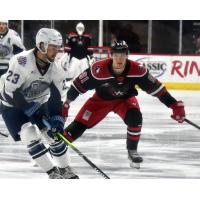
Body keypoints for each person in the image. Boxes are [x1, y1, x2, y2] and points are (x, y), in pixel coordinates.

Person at [52, 40, 186, 169]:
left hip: (124, 100)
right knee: (80, 124)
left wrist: (173, 105)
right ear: (111, 55)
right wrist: (66, 103)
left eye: (122, 54)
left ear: (127, 55)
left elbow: (157, 89)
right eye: (116, 54)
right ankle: (58, 146)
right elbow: (78, 85)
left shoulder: (138, 70)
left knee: (135, 118)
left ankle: (132, 151)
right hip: (100, 101)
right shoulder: (98, 69)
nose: (119, 58)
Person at [0, 28, 78, 179]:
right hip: (12, 106)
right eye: (52, 47)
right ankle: (52, 172)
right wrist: (27, 107)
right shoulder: (21, 61)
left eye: (57, 48)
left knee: (53, 135)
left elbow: (56, 99)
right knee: (29, 134)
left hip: (38, 102)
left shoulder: (58, 69)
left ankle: (65, 169)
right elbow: (9, 91)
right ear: (41, 46)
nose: (56, 52)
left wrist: (57, 121)